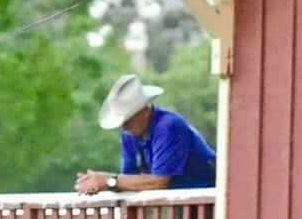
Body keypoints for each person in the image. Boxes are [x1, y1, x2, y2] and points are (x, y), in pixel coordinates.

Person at [75, 74, 218, 194]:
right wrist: (99, 183)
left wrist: (108, 180)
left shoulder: (168, 126)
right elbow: (128, 179)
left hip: (207, 201)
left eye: (128, 119)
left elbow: (159, 182)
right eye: (122, 122)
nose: (124, 126)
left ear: (146, 110)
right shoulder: (129, 134)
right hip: (178, 205)